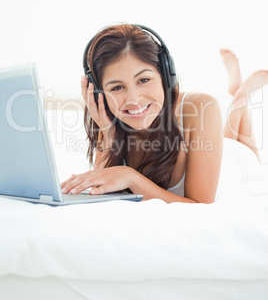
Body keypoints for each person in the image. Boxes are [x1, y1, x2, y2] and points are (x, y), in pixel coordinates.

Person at [61, 24, 268, 203]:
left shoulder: (200, 105)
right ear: (99, 93)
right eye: (116, 88)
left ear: (165, 76)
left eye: (143, 80)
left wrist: (131, 177)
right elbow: (107, 186)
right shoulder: (110, 120)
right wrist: (107, 133)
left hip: (234, 162)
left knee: (242, 145)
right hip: (215, 147)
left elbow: (200, 206)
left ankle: (240, 95)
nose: (133, 99)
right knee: (227, 134)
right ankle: (238, 94)